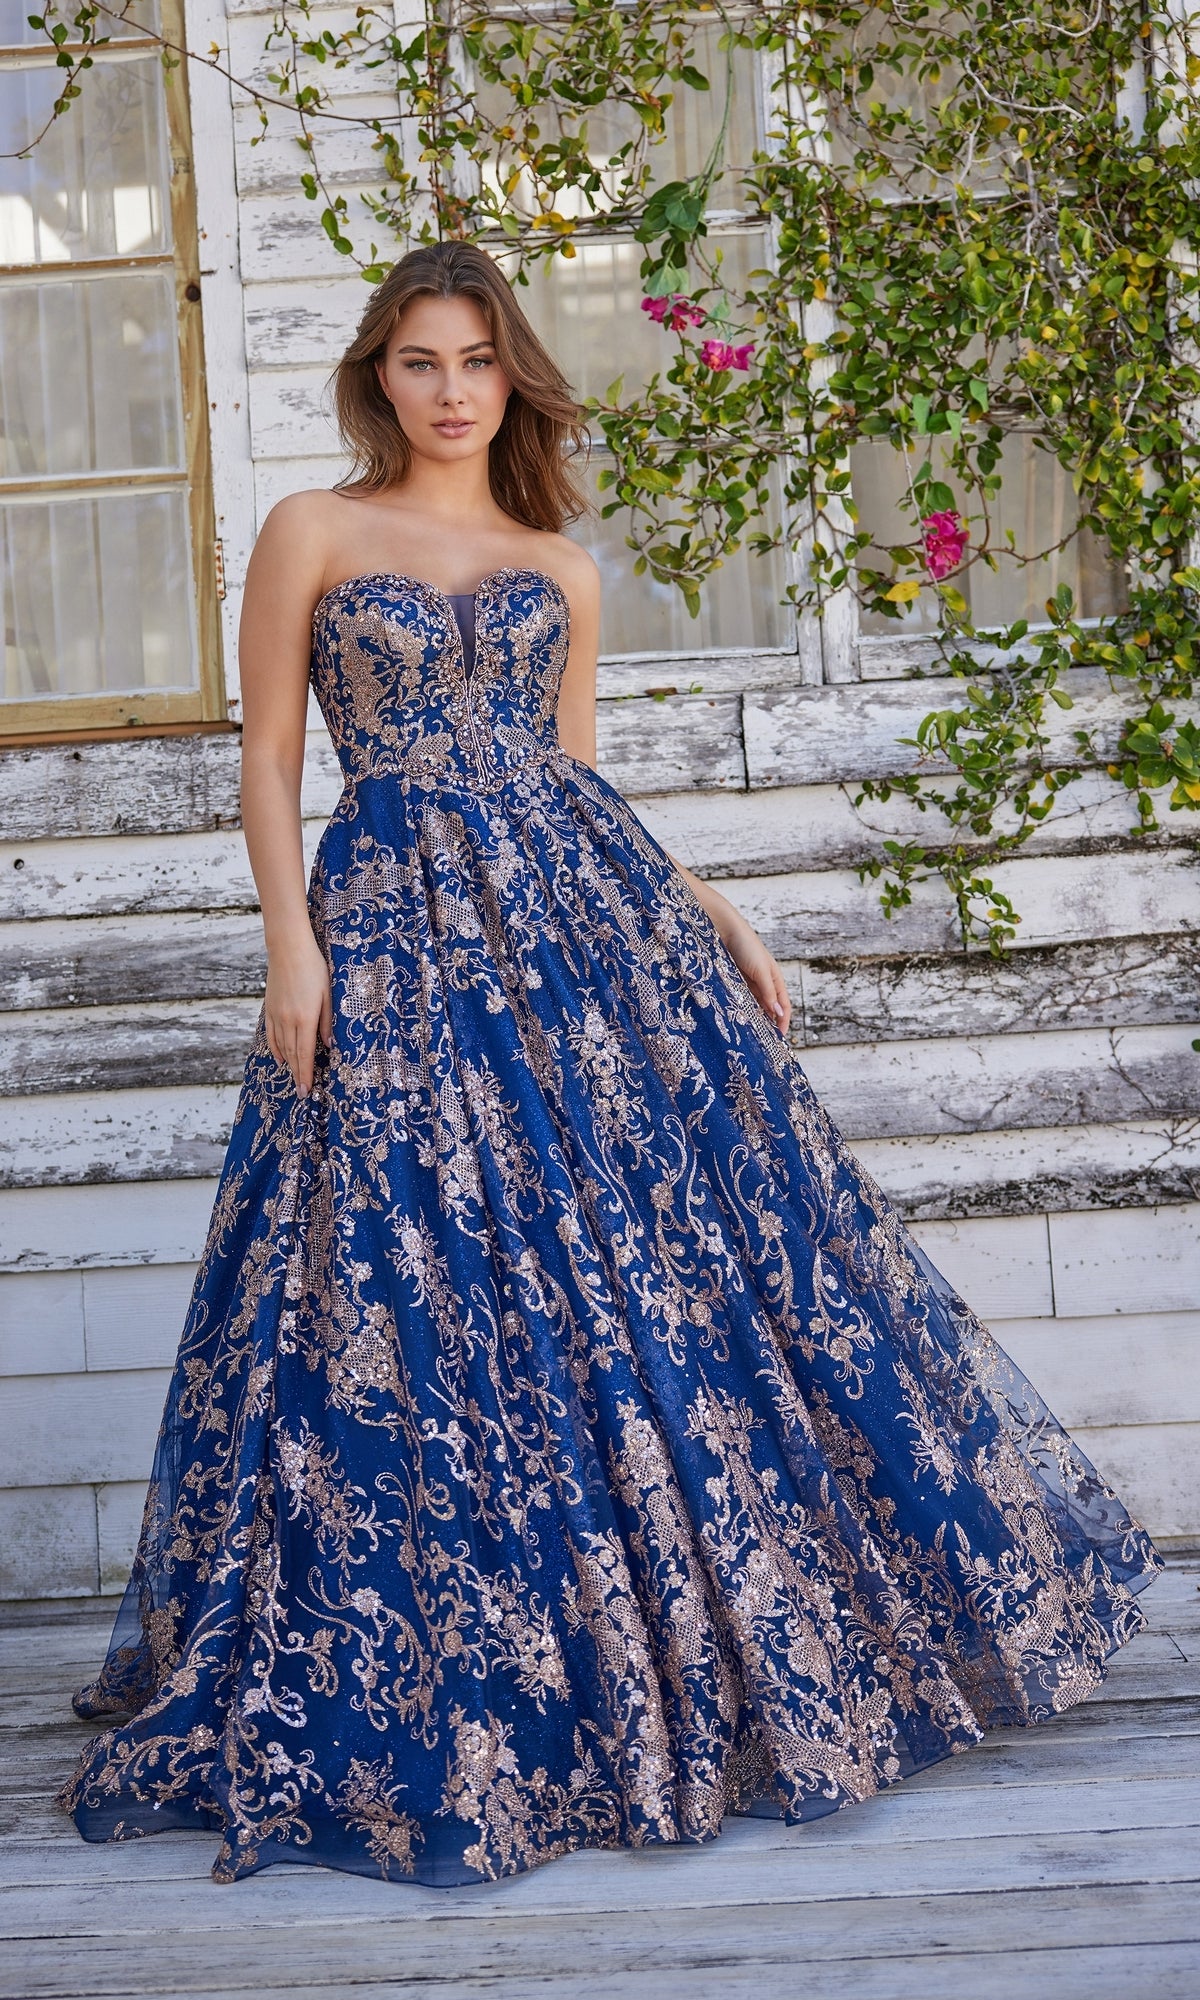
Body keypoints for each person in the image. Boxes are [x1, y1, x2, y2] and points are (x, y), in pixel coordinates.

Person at [59, 241, 1161, 1888]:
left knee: (643, 1262)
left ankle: (672, 1648)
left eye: (478, 362)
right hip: (386, 925)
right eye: (420, 360)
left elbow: (578, 780)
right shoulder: (312, 532)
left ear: (512, 380)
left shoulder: (554, 564)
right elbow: (272, 764)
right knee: (395, 1267)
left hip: (577, 938)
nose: (449, 390)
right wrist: (293, 946)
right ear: (377, 375)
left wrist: (712, 911)